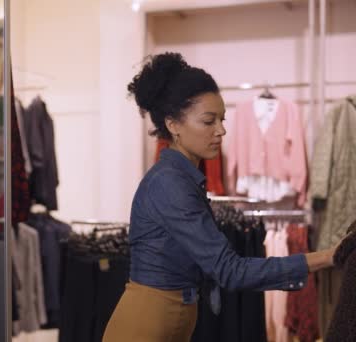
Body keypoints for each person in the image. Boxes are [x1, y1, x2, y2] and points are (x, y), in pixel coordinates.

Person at [102, 52, 338, 342]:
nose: (221, 130)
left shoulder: (182, 178)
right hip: (148, 323)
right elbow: (230, 270)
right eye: (208, 121)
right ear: (173, 124)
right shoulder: (170, 184)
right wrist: (327, 257)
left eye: (222, 119)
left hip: (167, 318)